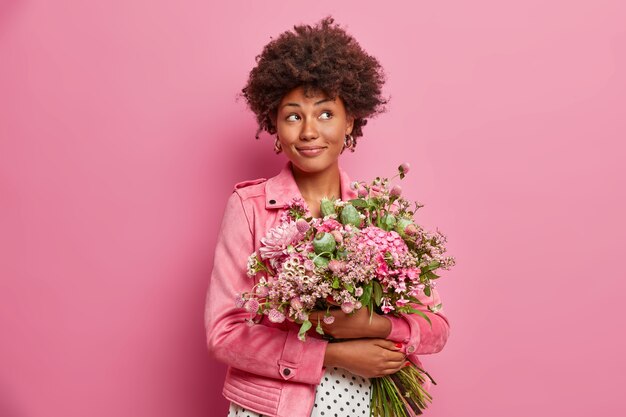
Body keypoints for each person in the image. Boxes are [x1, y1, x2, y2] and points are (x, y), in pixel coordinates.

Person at [204, 16, 450, 417]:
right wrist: (332, 355)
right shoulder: (249, 207)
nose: (308, 132)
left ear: (350, 121)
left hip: (367, 401)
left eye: (324, 114)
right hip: (273, 407)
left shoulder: (379, 214)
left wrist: (373, 328)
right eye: (293, 116)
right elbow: (225, 333)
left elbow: (436, 328)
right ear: (275, 126)